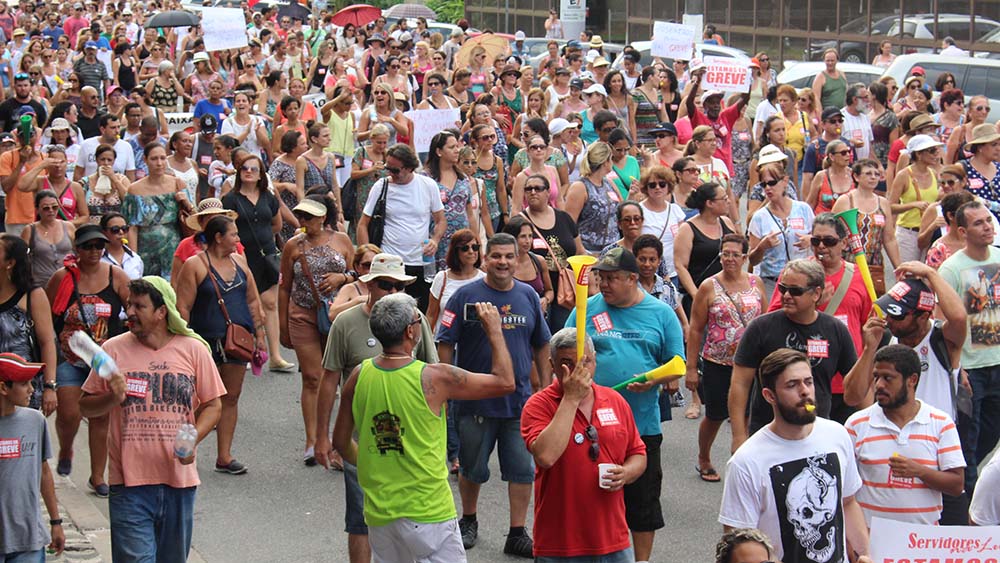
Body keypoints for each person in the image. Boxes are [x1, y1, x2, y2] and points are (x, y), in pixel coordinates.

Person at [332, 293, 513, 563]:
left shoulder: (359, 374)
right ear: (410, 331)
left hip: (380, 513)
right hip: (429, 511)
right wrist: (495, 331)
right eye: (418, 320)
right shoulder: (434, 377)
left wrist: (373, 465)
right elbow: (505, 382)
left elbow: (340, 441)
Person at [79, 277, 225, 562]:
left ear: (161, 312)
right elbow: (85, 407)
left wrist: (192, 439)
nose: (129, 313)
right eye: (129, 305)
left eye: (139, 306)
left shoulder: (194, 350)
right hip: (129, 486)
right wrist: (112, 398)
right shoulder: (111, 350)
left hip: (178, 483)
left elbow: (213, 405)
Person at [563, 246, 684, 563]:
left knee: (643, 503)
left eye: (612, 278)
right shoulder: (587, 308)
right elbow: (562, 350)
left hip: (640, 426)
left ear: (633, 278)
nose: (603, 284)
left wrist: (654, 380)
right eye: (601, 277)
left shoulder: (661, 313)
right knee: (588, 500)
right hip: (589, 425)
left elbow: (677, 362)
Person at [435, 233, 551, 557]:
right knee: (472, 469)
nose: (502, 262)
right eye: (496, 256)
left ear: (517, 259)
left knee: (522, 470)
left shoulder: (528, 295)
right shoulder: (464, 296)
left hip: (519, 404)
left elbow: (542, 343)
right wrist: (450, 385)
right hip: (474, 403)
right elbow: (445, 341)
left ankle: (517, 532)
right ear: (485, 259)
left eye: (509, 256)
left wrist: (545, 387)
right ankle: (468, 520)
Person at [319, 254, 438, 563]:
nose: (393, 291)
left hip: (411, 443)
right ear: (369, 285)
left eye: (399, 286)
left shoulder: (416, 321)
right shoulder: (346, 323)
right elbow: (329, 379)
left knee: (411, 518)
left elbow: (434, 376)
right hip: (362, 442)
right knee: (361, 520)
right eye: (386, 284)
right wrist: (321, 437)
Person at [719, 348, 873, 563]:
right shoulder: (746, 461)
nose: (805, 392)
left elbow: (847, 503)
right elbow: (740, 546)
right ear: (769, 395)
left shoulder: (837, 435)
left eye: (808, 382)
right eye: (792, 385)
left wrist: (865, 554)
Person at [521, 327, 646, 562]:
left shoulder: (615, 400)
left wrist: (626, 473)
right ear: (553, 365)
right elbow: (545, 456)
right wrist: (571, 398)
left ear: (595, 360)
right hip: (560, 545)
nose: (579, 370)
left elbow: (638, 452)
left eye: (585, 361)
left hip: (613, 541)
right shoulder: (538, 405)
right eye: (567, 363)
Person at [730, 259, 875, 451]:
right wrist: (739, 435)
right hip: (768, 435)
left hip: (816, 435)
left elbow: (858, 390)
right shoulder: (760, 328)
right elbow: (740, 384)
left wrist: (869, 433)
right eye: (783, 289)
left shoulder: (836, 330)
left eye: (795, 291)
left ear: (816, 293)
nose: (786, 296)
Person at [175, 215, 266, 476]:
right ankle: (182, 447)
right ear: (218, 237)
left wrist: (259, 334)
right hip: (204, 341)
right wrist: (183, 342)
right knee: (198, 399)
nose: (238, 238)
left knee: (231, 397)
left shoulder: (240, 262)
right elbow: (183, 306)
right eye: (233, 234)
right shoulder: (195, 265)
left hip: (237, 341)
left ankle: (224, 456)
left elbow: (253, 300)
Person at [46, 224, 129, 497]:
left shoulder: (116, 275)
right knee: (69, 413)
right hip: (69, 356)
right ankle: (66, 447)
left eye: (99, 246)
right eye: (88, 246)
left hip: (103, 359)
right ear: (77, 249)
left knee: (101, 416)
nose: (94, 251)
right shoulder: (63, 277)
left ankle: (97, 475)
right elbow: (46, 316)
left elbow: (133, 309)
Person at [846, 345, 965, 525]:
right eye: (876, 377)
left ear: (912, 380)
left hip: (922, 539)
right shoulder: (856, 424)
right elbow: (844, 488)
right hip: (871, 538)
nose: (879, 385)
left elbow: (956, 485)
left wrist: (919, 471)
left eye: (888, 378)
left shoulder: (940, 423)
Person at [278, 198, 353, 465]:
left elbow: (357, 273)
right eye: (300, 216)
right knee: (312, 378)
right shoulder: (293, 245)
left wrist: (342, 277)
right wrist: (282, 325)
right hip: (303, 314)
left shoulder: (342, 240)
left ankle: (340, 441)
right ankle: (312, 440)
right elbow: (285, 286)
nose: (303, 221)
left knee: (341, 377)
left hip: (338, 317)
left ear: (323, 218)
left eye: (308, 217)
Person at [688, 233, 766, 482]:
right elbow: (696, 328)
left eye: (735, 255)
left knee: (748, 415)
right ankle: (704, 457)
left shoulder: (756, 283)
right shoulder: (708, 286)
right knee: (715, 415)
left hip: (751, 364)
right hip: (718, 363)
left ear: (745, 257)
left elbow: (765, 320)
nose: (730, 259)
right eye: (725, 254)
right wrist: (691, 368)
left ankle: (745, 463)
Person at [938, 200, 1000, 493]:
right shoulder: (951, 269)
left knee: (991, 433)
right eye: (978, 223)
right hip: (971, 370)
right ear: (962, 231)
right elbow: (942, 322)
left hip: (998, 363)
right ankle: (966, 506)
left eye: (988, 220)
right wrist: (956, 367)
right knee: (969, 441)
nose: (987, 227)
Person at [221, 153, 293, 372]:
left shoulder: (268, 196)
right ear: (239, 172)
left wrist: (264, 238)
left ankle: (275, 356)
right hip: (241, 255)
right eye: (244, 168)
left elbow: (277, 224)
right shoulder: (230, 199)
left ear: (261, 174)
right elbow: (225, 228)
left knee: (270, 303)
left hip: (267, 255)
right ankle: (245, 349)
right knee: (244, 303)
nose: (249, 172)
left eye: (254, 168)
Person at [356, 144, 446, 312]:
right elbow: (363, 223)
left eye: (395, 170)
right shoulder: (381, 186)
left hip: (420, 262)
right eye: (387, 168)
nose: (390, 173)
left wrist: (435, 240)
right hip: (389, 262)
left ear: (410, 168)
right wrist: (368, 254)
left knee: (417, 311)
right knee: (388, 311)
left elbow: (441, 220)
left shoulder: (428, 185)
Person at [0, 352, 65, 561]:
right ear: (3, 388)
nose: (32, 389)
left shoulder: (35, 421)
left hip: (29, 538)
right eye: (24, 383)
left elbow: (44, 471)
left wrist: (56, 522)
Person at [0, 234, 58, 414]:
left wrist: (50, 386)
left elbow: (47, 342)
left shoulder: (33, 295)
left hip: (21, 389)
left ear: (10, 263)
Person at [832, 159, 902, 294]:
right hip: (849, 262)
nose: (873, 177)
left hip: (874, 263)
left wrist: (898, 268)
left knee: (874, 300)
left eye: (877, 174)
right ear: (856, 177)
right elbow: (832, 232)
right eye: (868, 173)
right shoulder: (845, 201)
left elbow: (889, 239)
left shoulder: (883, 203)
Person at [748, 162, 814, 297]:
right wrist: (762, 247)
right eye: (763, 184)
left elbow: (821, 239)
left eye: (772, 183)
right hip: (771, 282)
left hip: (802, 280)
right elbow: (752, 260)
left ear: (785, 181)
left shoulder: (803, 209)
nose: (768, 188)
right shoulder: (759, 217)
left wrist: (811, 240)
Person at [674, 182, 737, 315]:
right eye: (724, 199)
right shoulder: (688, 229)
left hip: (728, 295)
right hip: (701, 296)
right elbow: (680, 266)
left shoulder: (726, 222)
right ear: (710, 203)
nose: (729, 202)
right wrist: (696, 296)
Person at [679, 68, 750, 175]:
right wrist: (697, 82)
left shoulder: (726, 117)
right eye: (712, 103)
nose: (716, 105)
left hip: (725, 169)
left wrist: (747, 80)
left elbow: (744, 99)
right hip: (706, 168)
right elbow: (689, 103)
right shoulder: (699, 119)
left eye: (717, 102)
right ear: (705, 105)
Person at [890, 135, 942, 263]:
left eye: (936, 150)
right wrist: (913, 205)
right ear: (918, 154)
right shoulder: (903, 175)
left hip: (929, 232)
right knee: (908, 272)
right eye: (932, 151)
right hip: (908, 233)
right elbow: (890, 206)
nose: (936, 154)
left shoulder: (934, 174)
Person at [565, 141, 620, 255]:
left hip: (613, 249)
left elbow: (621, 209)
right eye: (611, 158)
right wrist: (581, 251)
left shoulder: (609, 183)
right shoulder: (580, 187)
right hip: (589, 250)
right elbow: (569, 224)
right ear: (605, 162)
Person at [21, 190, 76, 289]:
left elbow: (79, 252)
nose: (51, 210)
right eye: (46, 208)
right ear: (37, 210)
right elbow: (20, 257)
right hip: (40, 284)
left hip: (68, 282)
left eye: (55, 207)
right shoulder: (30, 230)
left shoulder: (68, 226)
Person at [840, 84, 873, 160]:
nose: (868, 100)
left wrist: (878, 164)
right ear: (855, 99)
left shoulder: (866, 117)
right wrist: (849, 143)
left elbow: (870, 147)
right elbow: (831, 141)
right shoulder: (839, 118)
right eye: (865, 97)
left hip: (864, 164)